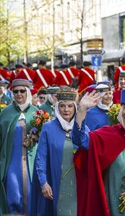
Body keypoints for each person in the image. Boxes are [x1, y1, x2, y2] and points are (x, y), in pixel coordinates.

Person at [31, 87, 78, 215]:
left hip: (77, 185)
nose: (66, 110)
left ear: (75, 108)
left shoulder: (81, 129)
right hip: (55, 182)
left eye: (70, 106)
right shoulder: (48, 127)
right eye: (62, 106)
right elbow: (41, 157)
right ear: (57, 107)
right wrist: (44, 182)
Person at [0, 79, 38, 215]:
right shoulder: (5, 113)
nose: (19, 94)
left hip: (31, 163)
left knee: (31, 193)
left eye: (22, 91)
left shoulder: (37, 113)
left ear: (27, 92)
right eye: (15, 91)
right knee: (13, 194)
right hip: (11, 162)